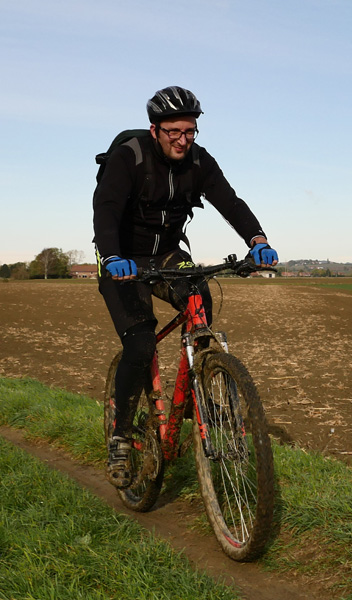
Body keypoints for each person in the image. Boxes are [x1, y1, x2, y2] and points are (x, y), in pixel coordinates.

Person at [93, 85, 278, 488]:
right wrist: (111, 255)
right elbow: (105, 208)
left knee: (200, 306)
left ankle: (199, 389)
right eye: (173, 131)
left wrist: (257, 240)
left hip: (167, 255)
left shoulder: (199, 161)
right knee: (140, 344)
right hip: (124, 259)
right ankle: (121, 436)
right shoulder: (129, 157)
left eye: (189, 131)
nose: (182, 139)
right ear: (155, 130)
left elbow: (230, 202)